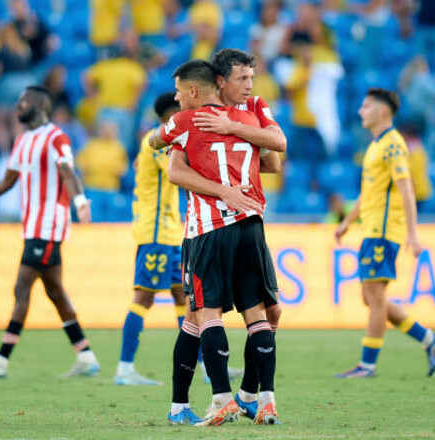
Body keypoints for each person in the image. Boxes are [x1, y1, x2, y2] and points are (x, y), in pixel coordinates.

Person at [150, 60, 280, 426]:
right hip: (251, 225)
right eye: (244, 78)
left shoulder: (185, 122)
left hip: (207, 229)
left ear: (194, 90)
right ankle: (263, 400)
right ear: (223, 82)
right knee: (257, 313)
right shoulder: (253, 120)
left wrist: (177, 136)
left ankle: (222, 399)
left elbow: (153, 142)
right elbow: (275, 161)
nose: (176, 98)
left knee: (206, 314)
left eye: (179, 92)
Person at [0, 86, 100, 379]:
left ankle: (0, 360)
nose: (18, 107)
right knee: (54, 291)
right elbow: (6, 182)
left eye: (23, 102)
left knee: (21, 288)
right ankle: (86, 356)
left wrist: (80, 203)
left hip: (49, 225)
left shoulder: (56, 137)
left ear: (40, 105)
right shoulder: (22, 140)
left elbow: (68, 172)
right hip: (32, 226)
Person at [334, 88, 435, 379]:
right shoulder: (375, 145)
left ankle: (367, 365)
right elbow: (368, 191)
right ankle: (430, 340)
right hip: (371, 228)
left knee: (375, 295)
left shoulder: (394, 145)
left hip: (385, 231)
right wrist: (347, 221)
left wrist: (413, 233)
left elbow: (407, 188)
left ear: (383, 110)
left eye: (366, 106)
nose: (361, 111)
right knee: (371, 298)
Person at [113, 93, 183, 386]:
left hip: (170, 232)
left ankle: (205, 367)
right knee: (144, 297)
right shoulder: (158, 140)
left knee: (185, 296)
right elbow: (176, 173)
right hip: (155, 233)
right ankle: (125, 369)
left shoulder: (166, 139)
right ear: (172, 113)